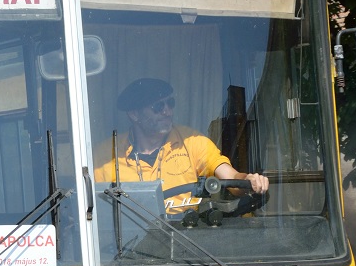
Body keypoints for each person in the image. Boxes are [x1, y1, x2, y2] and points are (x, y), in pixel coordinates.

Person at [95, 77, 270, 215]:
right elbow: (91, 205)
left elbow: (230, 177)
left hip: (187, 238)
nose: (167, 111)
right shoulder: (105, 155)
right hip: (129, 246)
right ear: (134, 114)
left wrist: (248, 180)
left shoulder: (192, 140)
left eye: (170, 104)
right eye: (158, 106)